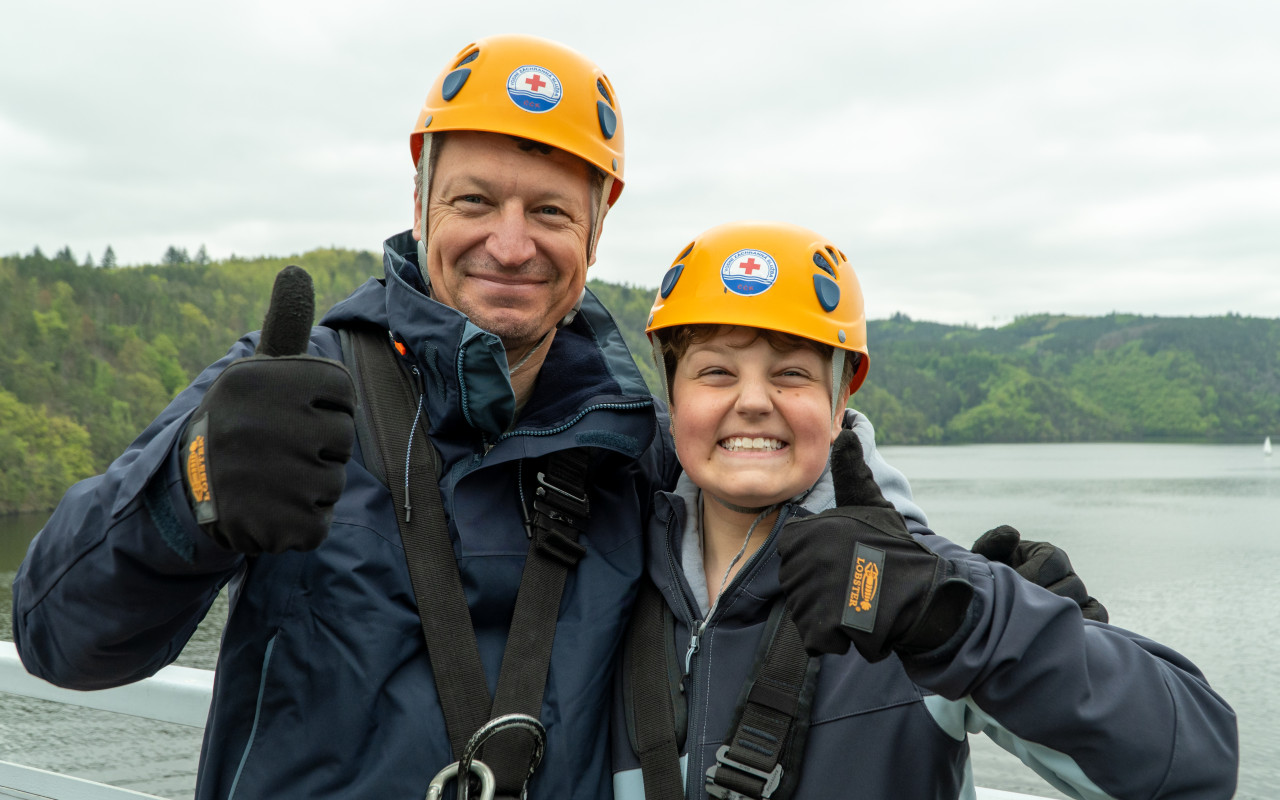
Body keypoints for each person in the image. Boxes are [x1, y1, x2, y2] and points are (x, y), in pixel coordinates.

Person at [10, 35, 920, 799]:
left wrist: (959, 582)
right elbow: (63, 642)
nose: (511, 244)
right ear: (419, 203)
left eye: (551, 212)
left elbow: (785, 485)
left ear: (597, 231)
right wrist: (189, 491)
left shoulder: (635, 444)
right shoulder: (286, 396)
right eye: (475, 201)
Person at [611, 220, 1238, 799]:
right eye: (716, 372)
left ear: (839, 404)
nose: (753, 400)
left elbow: (1199, 761)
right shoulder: (608, 581)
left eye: (792, 374)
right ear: (672, 394)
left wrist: (984, 626)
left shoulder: (920, 592)